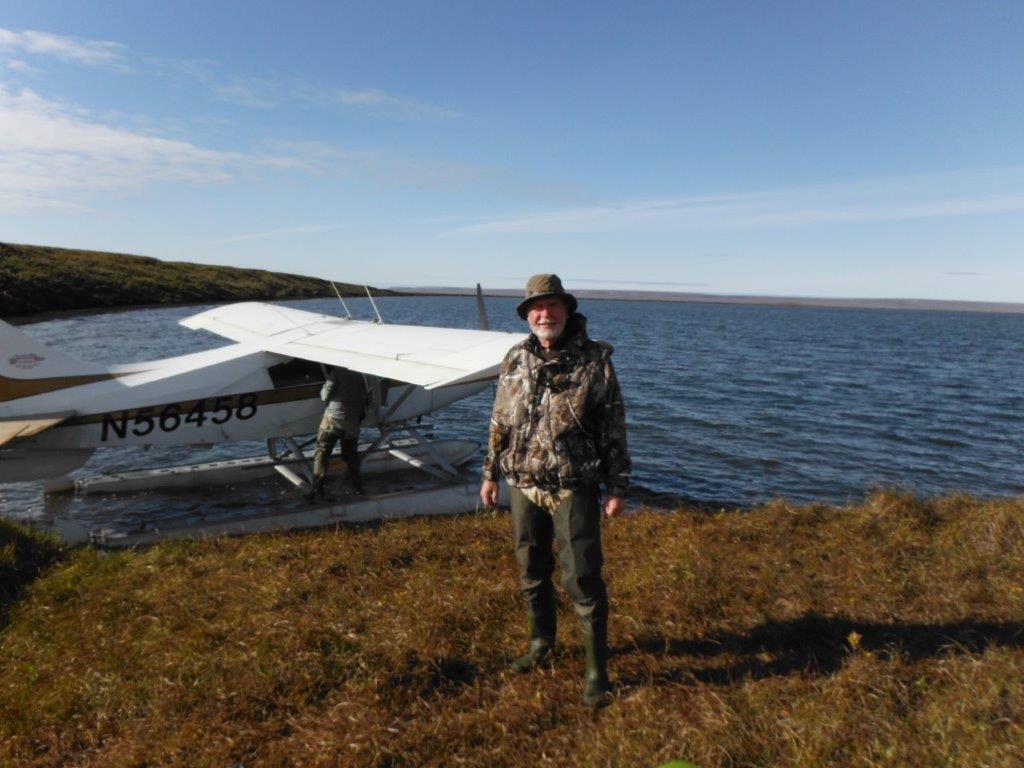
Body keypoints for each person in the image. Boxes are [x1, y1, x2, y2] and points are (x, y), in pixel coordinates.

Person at [480, 274, 630, 706]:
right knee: (531, 570)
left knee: (582, 577)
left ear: (566, 311)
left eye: (552, 306)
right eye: (536, 308)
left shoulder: (595, 360)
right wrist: (490, 473)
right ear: (528, 316)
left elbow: (613, 426)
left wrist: (616, 486)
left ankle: (597, 673)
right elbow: (500, 419)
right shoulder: (515, 358)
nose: (544, 315)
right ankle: (541, 644)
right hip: (523, 483)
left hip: (573, 485)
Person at [311, 366, 368, 498]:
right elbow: (364, 396)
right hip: (352, 422)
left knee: (322, 451)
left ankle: (317, 489)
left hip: (334, 420)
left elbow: (324, 396)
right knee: (351, 455)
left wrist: (324, 387)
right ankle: (358, 488)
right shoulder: (359, 373)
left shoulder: (336, 373)